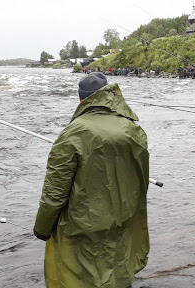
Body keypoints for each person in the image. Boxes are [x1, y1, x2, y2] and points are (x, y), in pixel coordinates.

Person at [33, 72, 150, 288]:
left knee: (84, 276)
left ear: (81, 100)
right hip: (125, 218)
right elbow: (141, 180)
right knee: (118, 269)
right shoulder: (133, 128)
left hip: (83, 227)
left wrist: (42, 228)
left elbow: (55, 192)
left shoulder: (73, 133)